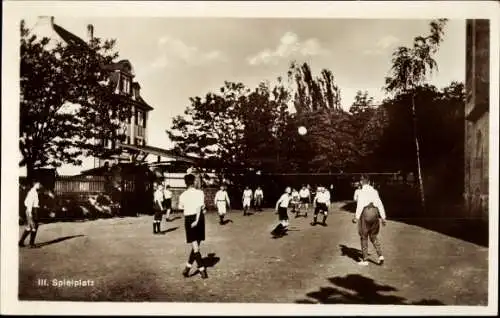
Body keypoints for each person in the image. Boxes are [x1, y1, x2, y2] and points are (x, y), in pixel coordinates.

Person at [352, 176, 387, 266]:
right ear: (369, 182)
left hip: (366, 212)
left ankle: (365, 259)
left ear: (361, 182)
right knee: (373, 236)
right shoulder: (375, 191)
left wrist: (356, 217)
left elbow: (359, 204)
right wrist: (383, 217)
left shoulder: (360, 191)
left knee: (364, 236)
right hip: (375, 213)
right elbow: (380, 204)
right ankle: (380, 256)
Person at [179, 174, 208, 279]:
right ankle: (187, 268)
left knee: (195, 247)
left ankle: (202, 270)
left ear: (185, 183)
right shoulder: (200, 193)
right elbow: (200, 207)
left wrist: (194, 219)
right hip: (199, 219)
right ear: (193, 182)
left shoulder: (182, 195)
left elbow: (180, 206)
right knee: (196, 246)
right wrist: (197, 218)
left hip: (190, 219)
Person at [19, 181, 42, 248]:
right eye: (39, 184)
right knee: (34, 227)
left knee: (29, 227)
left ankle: (21, 242)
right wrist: (30, 214)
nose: (40, 185)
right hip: (31, 211)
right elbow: (28, 203)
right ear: (35, 184)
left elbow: (26, 201)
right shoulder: (32, 192)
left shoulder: (34, 192)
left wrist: (37, 206)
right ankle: (31, 244)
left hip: (32, 210)